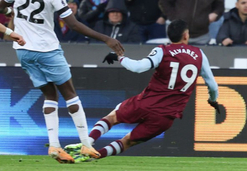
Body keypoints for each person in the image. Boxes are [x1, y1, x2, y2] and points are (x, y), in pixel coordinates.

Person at [0, 0, 123, 163]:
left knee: (50, 96)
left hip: (23, 51)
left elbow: (2, 6)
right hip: (47, 50)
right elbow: (73, 24)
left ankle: (55, 146)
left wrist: (13, 15)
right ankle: (86, 144)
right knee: (70, 94)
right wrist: (105, 39)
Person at [72, 20, 219, 161]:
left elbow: (138, 67)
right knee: (128, 141)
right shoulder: (199, 54)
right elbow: (212, 85)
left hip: (145, 104)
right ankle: (93, 156)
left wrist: (120, 58)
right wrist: (212, 100)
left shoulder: (163, 50)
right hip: (165, 117)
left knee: (112, 118)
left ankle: (87, 143)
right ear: (186, 35)